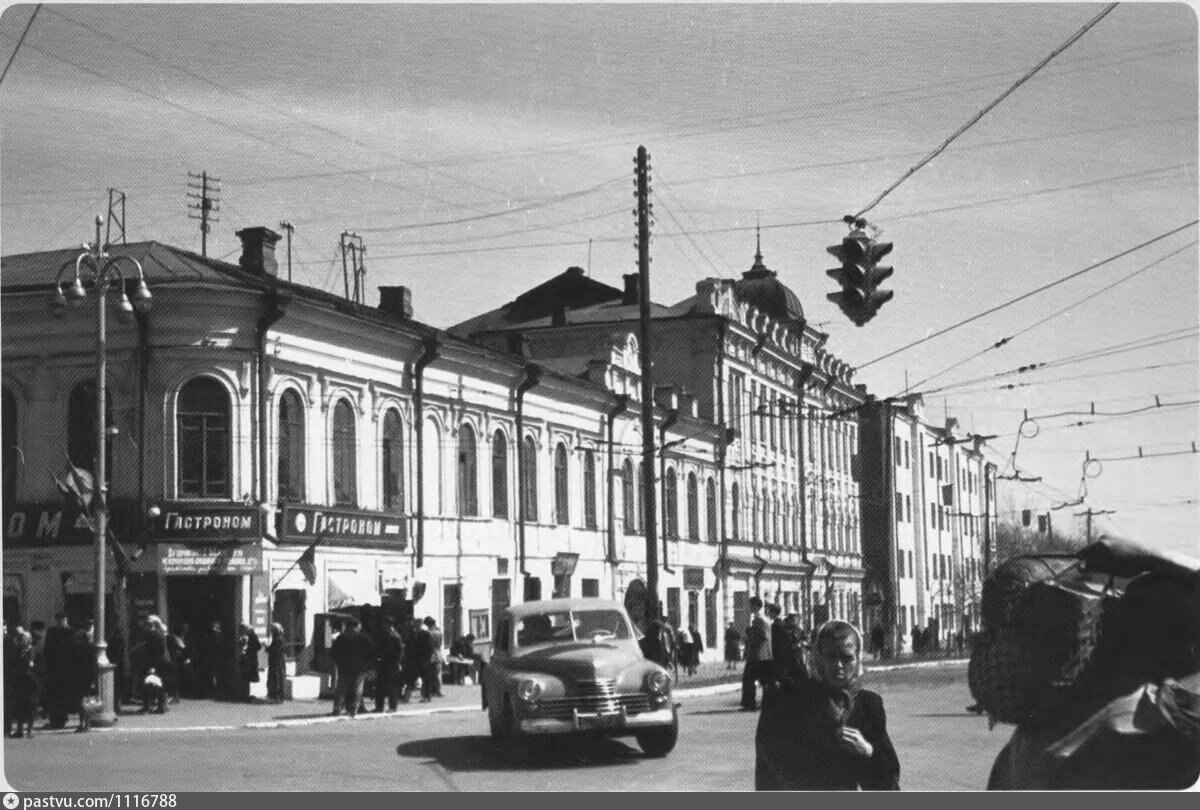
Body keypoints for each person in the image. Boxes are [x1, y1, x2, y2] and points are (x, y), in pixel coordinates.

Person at [756, 620, 900, 790]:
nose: (838, 665)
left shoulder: (868, 706)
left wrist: (868, 751)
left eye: (847, 658)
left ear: (858, 659)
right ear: (818, 658)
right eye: (831, 657)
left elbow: (887, 786)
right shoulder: (787, 701)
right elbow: (770, 773)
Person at [330, 616, 375, 717]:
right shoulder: (363, 638)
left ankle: (337, 708)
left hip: (344, 667)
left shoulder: (342, 637)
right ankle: (354, 709)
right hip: (360, 668)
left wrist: (339, 662)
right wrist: (368, 665)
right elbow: (372, 651)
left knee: (341, 688)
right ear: (356, 626)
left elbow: (333, 652)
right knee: (357, 688)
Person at [741, 596, 773, 711]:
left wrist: (749, 633)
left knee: (748, 678)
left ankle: (749, 703)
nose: (749, 607)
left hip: (757, 654)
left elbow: (762, 636)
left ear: (756, 606)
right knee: (764, 680)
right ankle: (767, 702)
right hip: (765, 654)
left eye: (751, 605)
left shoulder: (759, 620)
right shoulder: (766, 618)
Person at [374, 617, 403, 712]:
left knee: (392, 687)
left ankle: (392, 706)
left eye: (385, 624)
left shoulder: (395, 636)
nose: (384, 626)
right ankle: (379, 707)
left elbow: (399, 652)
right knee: (380, 686)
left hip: (392, 664)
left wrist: (398, 662)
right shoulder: (385, 635)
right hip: (384, 663)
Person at [236, 623, 262, 703]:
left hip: (251, 659)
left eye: (243, 629)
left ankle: (249, 695)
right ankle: (245, 694)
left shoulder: (253, 635)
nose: (242, 631)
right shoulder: (246, 636)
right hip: (247, 659)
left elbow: (258, 646)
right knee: (246, 676)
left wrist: (249, 648)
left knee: (249, 677)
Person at [266, 622, 288, 704]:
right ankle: (276, 696)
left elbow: (275, 650)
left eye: (272, 630)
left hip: (277, 662)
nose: (271, 632)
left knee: (277, 678)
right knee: (276, 678)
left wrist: (267, 648)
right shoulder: (279, 639)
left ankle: (277, 697)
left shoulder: (278, 640)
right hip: (277, 661)